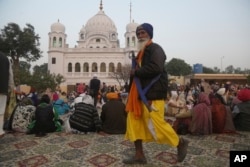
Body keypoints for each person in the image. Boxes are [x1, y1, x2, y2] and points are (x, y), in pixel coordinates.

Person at [123, 23, 189, 164]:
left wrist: (137, 71)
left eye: (143, 33)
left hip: (152, 94)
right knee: (134, 125)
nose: (140, 36)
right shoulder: (140, 53)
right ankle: (139, 155)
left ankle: (180, 143)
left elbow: (156, 67)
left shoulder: (155, 49)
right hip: (138, 96)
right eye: (138, 33)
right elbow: (135, 78)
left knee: (156, 125)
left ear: (149, 34)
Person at [0, 52, 15, 138]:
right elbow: (10, 76)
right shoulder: (5, 58)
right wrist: (9, 89)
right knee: (0, 113)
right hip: (2, 91)